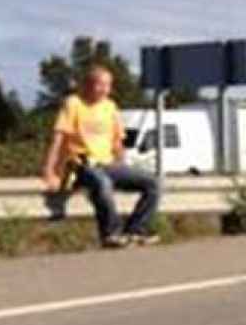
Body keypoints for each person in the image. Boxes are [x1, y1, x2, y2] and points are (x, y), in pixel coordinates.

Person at [38, 66, 161, 248]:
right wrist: (50, 170)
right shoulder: (73, 103)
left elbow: (117, 142)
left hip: (107, 164)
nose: (104, 89)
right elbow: (59, 138)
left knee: (153, 183)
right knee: (102, 182)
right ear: (88, 85)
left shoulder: (110, 107)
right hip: (81, 164)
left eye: (108, 85)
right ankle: (110, 233)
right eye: (100, 84)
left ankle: (135, 229)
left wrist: (122, 165)